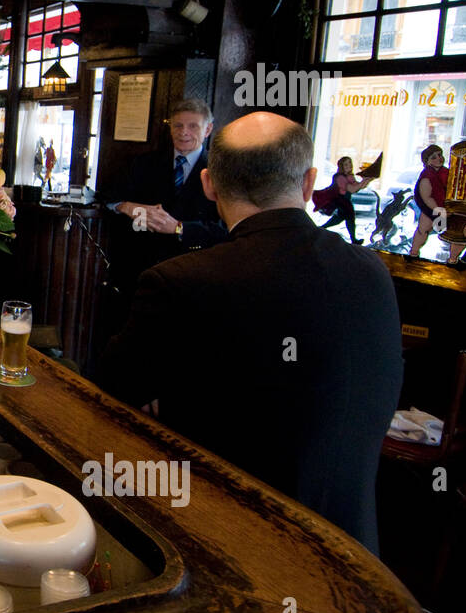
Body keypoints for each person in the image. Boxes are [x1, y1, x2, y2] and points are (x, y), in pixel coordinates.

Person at [98, 112, 401, 553]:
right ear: (309, 182)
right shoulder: (371, 272)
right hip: (355, 557)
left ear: (209, 185)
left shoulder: (181, 281)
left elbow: (112, 392)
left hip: (221, 547)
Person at [107, 98, 228, 277]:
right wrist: (126, 206)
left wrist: (178, 227)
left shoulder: (222, 171)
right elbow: (108, 197)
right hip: (140, 268)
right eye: (178, 126)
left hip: (193, 271)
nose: (183, 132)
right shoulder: (143, 163)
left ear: (208, 129)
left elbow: (225, 230)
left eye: (193, 126)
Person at [312, 156, 375, 243]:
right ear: (341, 166)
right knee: (350, 218)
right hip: (341, 200)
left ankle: (320, 229)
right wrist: (364, 180)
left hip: (346, 199)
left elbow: (359, 186)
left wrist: (368, 179)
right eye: (346, 164)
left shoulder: (349, 176)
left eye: (350, 163)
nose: (349, 166)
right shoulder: (339, 177)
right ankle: (353, 239)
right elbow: (352, 189)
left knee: (339, 218)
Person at [408, 143, 451, 259]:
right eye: (434, 157)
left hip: (445, 208)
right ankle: (414, 253)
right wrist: (438, 210)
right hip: (432, 209)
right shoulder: (427, 176)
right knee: (423, 230)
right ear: (427, 161)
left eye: (440, 155)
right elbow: (426, 197)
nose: (439, 158)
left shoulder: (446, 173)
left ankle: (452, 257)